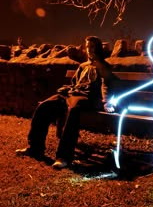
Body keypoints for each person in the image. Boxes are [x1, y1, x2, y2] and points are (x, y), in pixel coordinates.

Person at [16, 36, 116, 169]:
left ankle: (63, 157)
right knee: (43, 106)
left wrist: (106, 102)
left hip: (88, 98)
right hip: (71, 94)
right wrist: (67, 89)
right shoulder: (83, 66)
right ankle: (35, 148)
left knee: (73, 110)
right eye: (87, 46)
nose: (89, 49)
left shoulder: (104, 66)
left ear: (97, 48)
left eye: (92, 46)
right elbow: (74, 83)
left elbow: (106, 85)